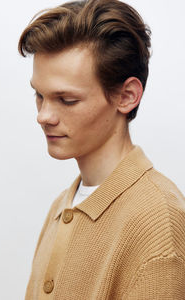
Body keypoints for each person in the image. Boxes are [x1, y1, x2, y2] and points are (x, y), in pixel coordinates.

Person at [18, 0, 185, 299]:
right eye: (39, 96)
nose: (43, 116)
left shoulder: (159, 222)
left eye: (67, 100)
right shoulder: (62, 207)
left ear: (127, 96)